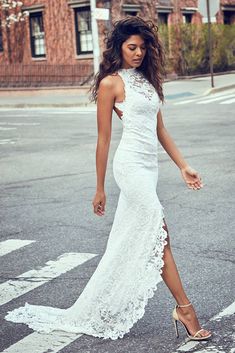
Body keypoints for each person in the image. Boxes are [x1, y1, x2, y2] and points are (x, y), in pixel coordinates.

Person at [5, 16, 212, 342]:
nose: (139, 53)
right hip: (129, 168)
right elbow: (102, 140)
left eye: (143, 48)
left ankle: (151, 305)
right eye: (132, 47)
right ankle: (184, 309)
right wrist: (100, 188)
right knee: (159, 233)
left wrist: (183, 166)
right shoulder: (110, 84)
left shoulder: (148, 81)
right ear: (119, 47)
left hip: (149, 168)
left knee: (146, 237)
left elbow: (160, 130)